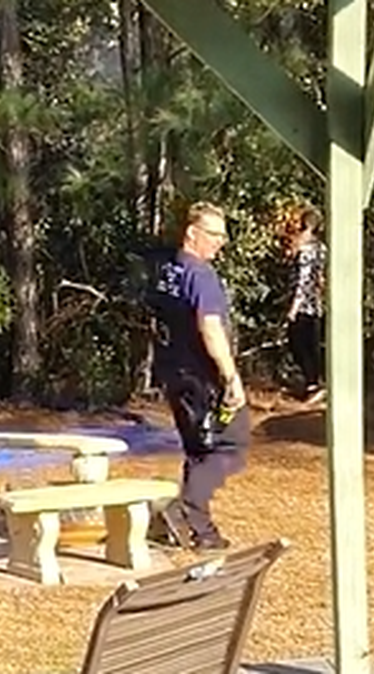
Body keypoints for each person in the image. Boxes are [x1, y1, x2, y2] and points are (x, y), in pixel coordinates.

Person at [145, 201, 249, 550]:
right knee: (228, 445)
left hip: (173, 373)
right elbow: (211, 327)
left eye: (223, 235)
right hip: (201, 377)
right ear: (192, 233)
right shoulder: (200, 274)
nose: (221, 241)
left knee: (199, 447)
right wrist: (231, 376)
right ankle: (183, 516)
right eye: (215, 234)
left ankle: (190, 527)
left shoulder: (168, 268)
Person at [284, 207, 326, 404]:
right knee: (310, 344)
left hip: (303, 305)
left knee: (298, 343)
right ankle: (313, 382)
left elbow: (302, 279)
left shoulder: (306, 250)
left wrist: (293, 306)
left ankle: (313, 384)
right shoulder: (321, 247)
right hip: (315, 304)